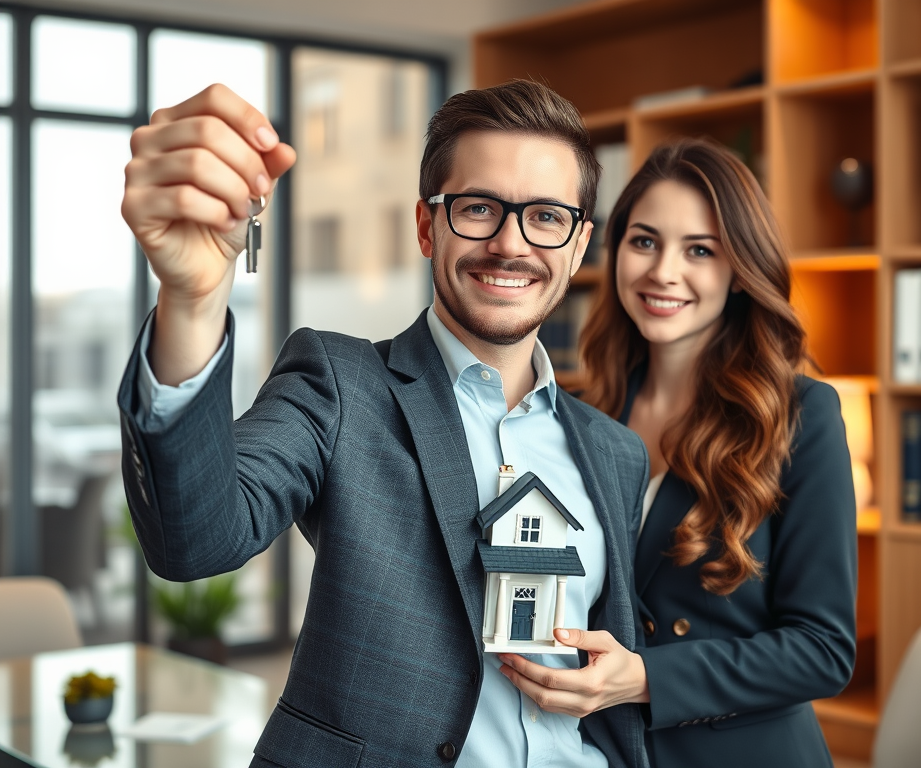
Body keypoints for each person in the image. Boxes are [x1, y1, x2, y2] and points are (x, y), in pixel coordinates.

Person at [118, 80, 651, 767]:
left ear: (578, 246)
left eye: (546, 217)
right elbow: (194, 541)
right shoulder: (340, 385)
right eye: (479, 208)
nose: (510, 243)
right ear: (428, 226)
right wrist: (191, 302)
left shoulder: (617, 452)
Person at [498, 139, 857, 768]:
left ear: (739, 269)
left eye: (699, 250)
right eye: (644, 241)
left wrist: (645, 678)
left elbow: (823, 649)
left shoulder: (801, 413)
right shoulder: (576, 413)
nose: (663, 271)